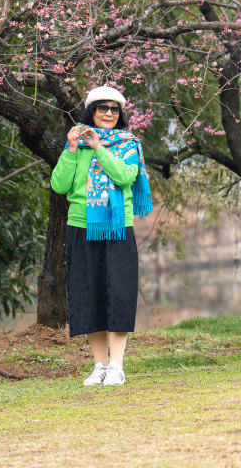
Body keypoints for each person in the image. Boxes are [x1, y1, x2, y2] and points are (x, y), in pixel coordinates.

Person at [51, 85, 152, 386]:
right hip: (80, 226)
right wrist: (71, 149)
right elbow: (59, 185)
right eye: (102, 108)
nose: (108, 113)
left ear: (120, 114)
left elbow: (124, 177)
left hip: (118, 228)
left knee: (118, 293)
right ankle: (100, 365)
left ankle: (117, 367)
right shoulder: (75, 144)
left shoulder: (128, 143)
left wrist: (98, 148)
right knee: (88, 294)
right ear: (91, 111)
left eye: (114, 109)